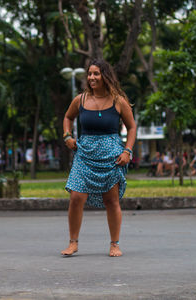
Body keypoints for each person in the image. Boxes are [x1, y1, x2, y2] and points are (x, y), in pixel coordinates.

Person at [61, 59, 136, 257]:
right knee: (76, 197)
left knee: (111, 200)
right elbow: (68, 117)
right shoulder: (81, 99)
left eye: (96, 73)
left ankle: (115, 244)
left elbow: (132, 127)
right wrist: (67, 136)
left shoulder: (118, 100)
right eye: (89, 74)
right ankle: (73, 242)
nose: (91, 77)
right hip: (84, 153)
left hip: (111, 156)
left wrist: (127, 151)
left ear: (105, 76)